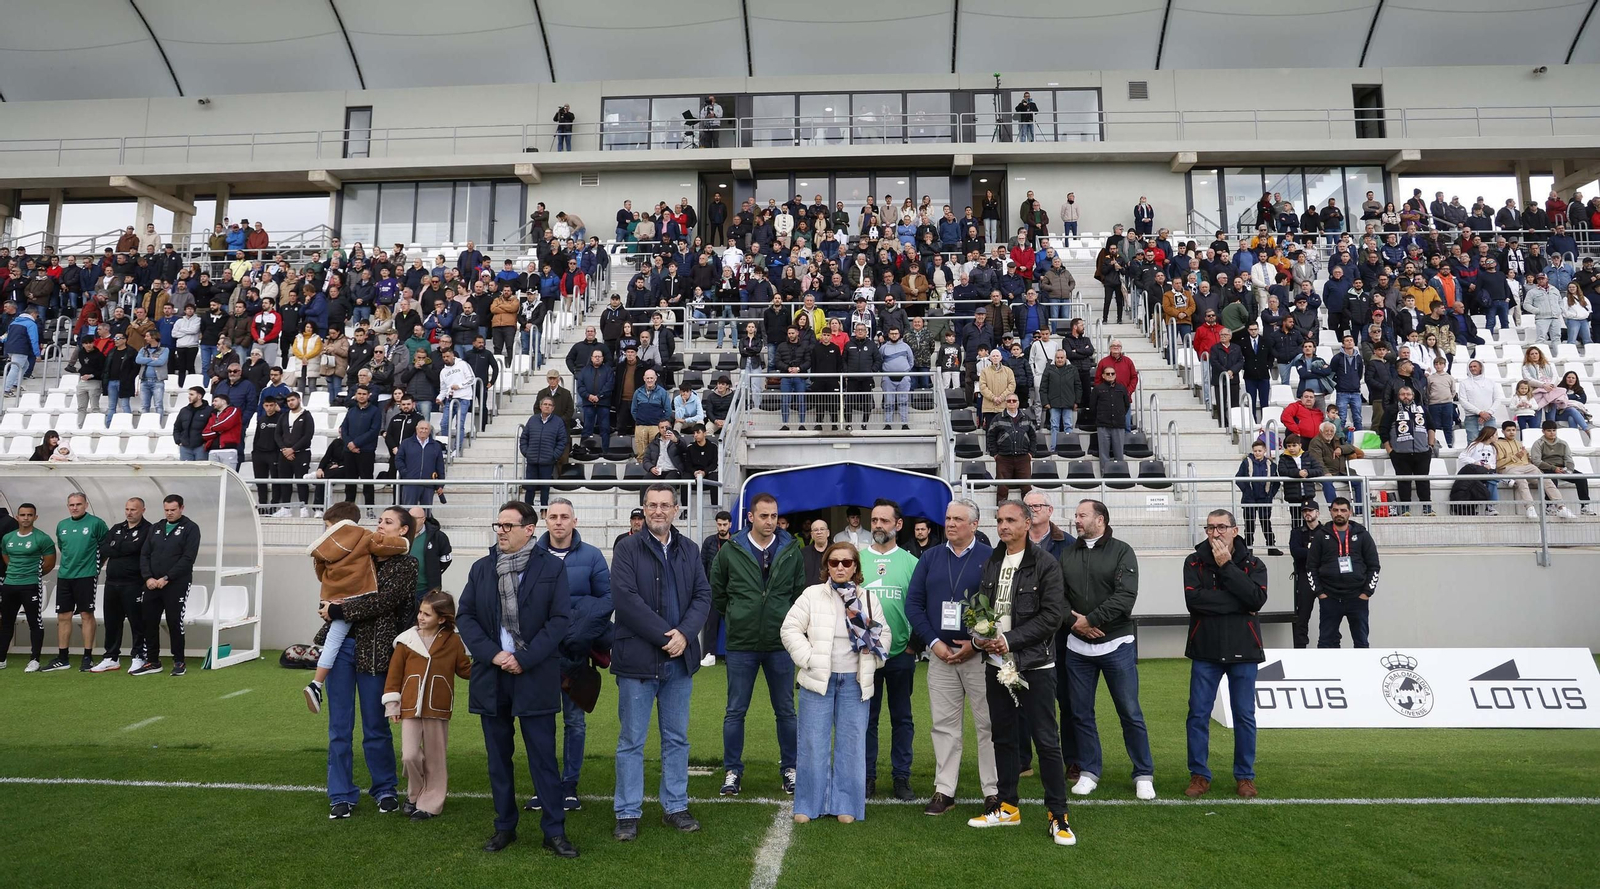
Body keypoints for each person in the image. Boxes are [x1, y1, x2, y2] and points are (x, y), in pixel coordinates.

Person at [456, 502, 577, 858]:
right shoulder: (482, 569)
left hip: (534, 674)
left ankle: (553, 830)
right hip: (492, 676)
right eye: (498, 525)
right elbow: (467, 616)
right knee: (498, 758)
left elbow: (559, 620)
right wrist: (495, 655)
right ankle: (504, 826)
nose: (501, 531)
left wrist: (523, 659)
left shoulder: (551, 568)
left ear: (529, 530)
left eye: (508, 525)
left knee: (543, 757)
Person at [963, 500, 1075, 847]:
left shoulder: (1046, 563)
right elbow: (983, 608)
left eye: (1010, 520)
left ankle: (1059, 816)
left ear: (1028, 523)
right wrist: (981, 636)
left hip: (1034, 666)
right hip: (996, 666)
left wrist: (1007, 640)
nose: (1003, 526)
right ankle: (1007, 806)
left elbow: (1052, 616)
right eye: (999, 520)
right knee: (1004, 737)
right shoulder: (993, 560)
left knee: (1045, 741)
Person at [609, 484, 712, 841]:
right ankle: (627, 812)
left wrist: (685, 634)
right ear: (642, 509)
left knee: (676, 739)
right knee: (632, 741)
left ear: (676, 510)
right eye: (651, 505)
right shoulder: (626, 548)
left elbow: (703, 596)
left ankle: (675, 806)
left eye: (665, 505)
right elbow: (626, 601)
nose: (658, 511)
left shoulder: (690, 549)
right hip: (638, 661)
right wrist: (669, 637)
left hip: (678, 664)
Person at [781, 540, 890, 824]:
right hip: (818, 680)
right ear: (826, 566)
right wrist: (809, 659)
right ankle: (809, 804)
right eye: (834, 562)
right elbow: (790, 629)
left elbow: (885, 636)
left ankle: (847, 805)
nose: (840, 567)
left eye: (846, 562)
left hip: (855, 682)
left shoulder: (868, 599)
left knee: (852, 744)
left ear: (855, 567)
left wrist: (873, 657)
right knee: (812, 743)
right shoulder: (811, 595)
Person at [905, 498, 997, 816]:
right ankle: (944, 790)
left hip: (979, 657)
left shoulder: (990, 558)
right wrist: (933, 643)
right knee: (944, 726)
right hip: (940, 656)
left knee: (988, 724)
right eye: (947, 518)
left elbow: (997, 605)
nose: (951, 523)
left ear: (974, 524)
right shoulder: (930, 557)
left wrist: (976, 642)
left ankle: (992, 791)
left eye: (958, 519)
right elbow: (913, 604)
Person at [710, 493, 805, 797]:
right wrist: (739, 616)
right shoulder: (731, 550)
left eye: (774, 516)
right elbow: (719, 592)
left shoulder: (791, 549)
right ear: (750, 517)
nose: (770, 521)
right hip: (741, 643)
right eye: (764, 516)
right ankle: (732, 771)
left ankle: (790, 768)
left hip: (780, 644)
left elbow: (798, 594)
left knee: (786, 711)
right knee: (735, 711)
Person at [1058, 499, 1153, 799]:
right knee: (1080, 713)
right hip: (1077, 647)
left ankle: (1143, 773)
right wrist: (1075, 624)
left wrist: (1092, 620)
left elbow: (1126, 596)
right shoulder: (1067, 554)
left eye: (1082, 515)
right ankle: (1089, 771)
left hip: (1117, 645)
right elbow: (1055, 596)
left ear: (1100, 520)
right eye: (1075, 516)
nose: (1077, 520)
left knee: (1130, 711)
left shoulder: (1122, 551)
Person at [527, 498, 613, 811]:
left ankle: (569, 786)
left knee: (574, 723)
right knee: (542, 723)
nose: (559, 522)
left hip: (576, 656)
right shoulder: (531, 555)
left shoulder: (591, 556)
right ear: (544, 521)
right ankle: (544, 787)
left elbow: (606, 599)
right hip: (540, 656)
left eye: (565, 517)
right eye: (553, 517)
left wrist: (576, 628)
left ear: (574, 521)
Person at [1182, 509, 1268, 799]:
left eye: (1220, 527)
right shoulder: (1193, 561)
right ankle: (1199, 774)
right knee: (1198, 714)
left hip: (1244, 650)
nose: (1215, 533)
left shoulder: (1254, 563)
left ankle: (1245, 776)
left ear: (1235, 530)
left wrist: (1227, 567)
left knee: (1244, 715)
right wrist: (1240, 602)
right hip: (1205, 650)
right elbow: (1194, 601)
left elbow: (1257, 599)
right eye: (1209, 528)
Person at [302, 502, 412, 712]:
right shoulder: (363, 542)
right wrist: (329, 605)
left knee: (374, 721)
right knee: (339, 719)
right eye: (379, 520)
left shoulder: (406, 564)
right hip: (346, 642)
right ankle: (316, 684)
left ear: (403, 530)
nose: (380, 525)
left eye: (388, 522)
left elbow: (383, 602)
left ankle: (316, 684)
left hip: (374, 647)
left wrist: (334, 608)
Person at [383, 590, 471, 820]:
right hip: (410, 707)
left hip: (438, 707)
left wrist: (489, 663)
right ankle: (414, 794)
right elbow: (394, 675)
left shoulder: (453, 641)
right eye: (420, 612)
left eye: (427, 614)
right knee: (409, 755)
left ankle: (430, 804)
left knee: (435, 758)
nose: (420, 617)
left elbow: (465, 669)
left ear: (442, 618)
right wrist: (392, 705)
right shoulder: (406, 640)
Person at [858, 498, 920, 800]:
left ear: (898, 525)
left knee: (902, 717)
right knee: (866, 718)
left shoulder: (911, 563)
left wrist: (913, 645)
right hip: (865, 655)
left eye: (884, 521)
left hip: (900, 655)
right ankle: (867, 777)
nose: (878, 526)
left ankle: (901, 777)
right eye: (875, 520)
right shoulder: (856, 559)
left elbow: (920, 606)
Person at [130, 495, 201, 676]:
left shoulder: (191, 528)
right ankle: (153, 661)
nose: (169, 513)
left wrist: (167, 577)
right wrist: (148, 578)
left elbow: (188, 558)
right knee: (149, 621)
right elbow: (144, 555)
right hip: (152, 584)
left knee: (173, 621)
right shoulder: (156, 528)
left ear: (181, 508)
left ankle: (179, 661)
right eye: (166, 510)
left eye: (173, 510)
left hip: (176, 584)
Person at [43, 493, 108, 673]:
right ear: (67, 506)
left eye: (78, 504)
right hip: (65, 576)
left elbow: (107, 547)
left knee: (86, 615)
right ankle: (63, 657)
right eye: (71, 504)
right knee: (63, 616)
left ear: (86, 504)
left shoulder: (96, 523)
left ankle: (87, 656)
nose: (75, 507)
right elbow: (63, 548)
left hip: (86, 576)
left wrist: (96, 566)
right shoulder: (62, 525)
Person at [89, 498, 154, 672]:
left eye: (133, 509)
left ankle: (138, 656)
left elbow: (138, 548)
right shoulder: (117, 528)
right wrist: (123, 546)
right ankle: (111, 657)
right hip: (112, 583)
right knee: (112, 622)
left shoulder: (148, 529)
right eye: (127, 509)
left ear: (142, 510)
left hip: (134, 583)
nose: (129, 512)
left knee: (137, 622)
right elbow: (104, 549)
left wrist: (117, 547)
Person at [1306, 497, 1379, 648]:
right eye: (1336, 510)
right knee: (1326, 642)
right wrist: (1320, 593)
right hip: (1330, 598)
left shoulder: (1362, 535)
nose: (1339, 513)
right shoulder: (1321, 536)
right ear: (1331, 512)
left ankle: (1362, 672)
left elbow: (1374, 566)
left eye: (1343, 510)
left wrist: (1366, 593)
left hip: (1357, 598)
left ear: (1350, 513)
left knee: (1361, 643)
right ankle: (1327, 672)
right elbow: (1311, 567)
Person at [0, 503, 54, 673]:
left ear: (35, 517)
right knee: (6, 622)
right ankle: (1, 659)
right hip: (9, 585)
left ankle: (34, 660)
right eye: (22, 515)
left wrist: (30, 573)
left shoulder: (42, 538)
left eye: (29, 515)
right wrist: (16, 572)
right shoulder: (8, 538)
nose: (26, 518)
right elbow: (6, 557)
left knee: (34, 622)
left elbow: (49, 564)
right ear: (17, 517)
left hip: (30, 585)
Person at [1382, 386, 1434, 517]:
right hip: (1400, 454)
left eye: (1408, 394)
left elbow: (1431, 427)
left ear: (1413, 396)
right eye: (1402, 394)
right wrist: (1390, 451)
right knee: (1403, 481)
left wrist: (1430, 446)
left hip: (1422, 452)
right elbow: (1383, 430)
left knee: (1423, 481)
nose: (1406, 396)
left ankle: (1427, 508)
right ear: (1398, 396)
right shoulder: (1391, 410)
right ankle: (1405, 509)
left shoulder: (1423, 409)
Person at [520, 395, 570, 508]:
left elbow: (562, 441)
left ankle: (544, 510)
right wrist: (526, 452)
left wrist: (554, 456)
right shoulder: (532, 420)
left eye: (550, 405)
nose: (547, 407)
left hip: (547, 461)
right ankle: (527, 511)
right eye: (545, 404)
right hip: (532, 460)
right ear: (540, 406)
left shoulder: (558, 422)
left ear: (553, 408)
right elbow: (524, 437)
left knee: (545, 488)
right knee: (530, 488)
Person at [1287, 502, 1323, 649]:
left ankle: (1328, 647)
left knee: (1329, 615)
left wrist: (1308, 552)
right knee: (1302, 616)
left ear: (1317, 513)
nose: (1307, 513)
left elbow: (1330, 553)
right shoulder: (1296, 532)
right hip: (1304, 576)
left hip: (1324, 578)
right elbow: (1296, 552)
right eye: (1304, 511)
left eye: (1310, 510)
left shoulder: (1326, 531)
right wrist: (1317, 552)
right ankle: (1300, 649)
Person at [987, 394, 1036, 502]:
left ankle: (1028, 512)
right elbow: (991, 436)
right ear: (1005, 403)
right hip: (1004, 458)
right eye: (1009, 401)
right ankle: (1001, 513)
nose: (1012, 403)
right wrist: (995, 454)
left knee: (1027, 487)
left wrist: (1031, 453)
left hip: (1023, 458)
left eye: (1014, 400)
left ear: (1018, 403)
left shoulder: (1026, 418)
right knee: (1002, 487)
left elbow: (1033, 436)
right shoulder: (998, 419)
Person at [1235, 440, 1280, 555]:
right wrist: (1246, 491)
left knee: (1266, 523)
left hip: (1264, 499)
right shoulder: (1246, 462)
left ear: (1264, 451)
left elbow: (1276, 482)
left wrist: (1270, 495)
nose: (1257, 453)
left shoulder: (1271, 465)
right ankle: (1248, 548)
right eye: (1255, 451)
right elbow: (1238, 478)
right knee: (1249, 524)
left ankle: (1271, 546)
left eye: (1260, 451)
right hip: (1249, 499)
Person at [396, 420, 447, 506]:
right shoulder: (406, 443)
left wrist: (441, 484)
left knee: (426, 514)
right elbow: (398, 459)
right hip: (410, 484)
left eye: (426, 429)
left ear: (429, 430)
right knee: (409, 512)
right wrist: (405, 473)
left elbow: (440, 466)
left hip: (428, 485)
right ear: (416, 429)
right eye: (421, 428)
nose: (423, 431)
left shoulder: (436, 446)